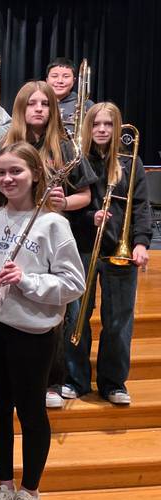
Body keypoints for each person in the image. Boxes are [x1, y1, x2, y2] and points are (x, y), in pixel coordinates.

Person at [0, 142, 85, 500]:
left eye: (15, 171)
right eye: (1, 172)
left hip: (32, 334)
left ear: (35, 174)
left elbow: (74, 283)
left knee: (31, 412)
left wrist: (28, 280)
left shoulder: (53, 224)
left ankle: (30, 493)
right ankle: (3, 486)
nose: (7, 179)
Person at [0, 80, 95, 408]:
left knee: (54, 315)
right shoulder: (7, 142)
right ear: (21, 109)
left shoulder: (66, 146)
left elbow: (86, 195)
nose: (39, 109)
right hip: (8, 231)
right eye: (32, 103)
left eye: (45, 103)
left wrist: (64, 202)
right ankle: (1, 378)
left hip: (49, 236)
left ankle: (51, 381)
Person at [64, 102, 151, 405]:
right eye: (96, 124)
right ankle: (75, 379)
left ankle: (113, 382)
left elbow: (140, 206)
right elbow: (67, 207)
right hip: (82, 247)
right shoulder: (75, 161)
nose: (102, 130)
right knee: (76, 316)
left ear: (117, 129)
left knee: (118, 320)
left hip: (119, 249)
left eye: (108, 124)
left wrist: (141, 242)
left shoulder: (131, 161)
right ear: (87, 128)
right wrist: (91, 218)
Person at [45, 57, 94, 136]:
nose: (60, 81)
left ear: (74, 81)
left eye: (66, 76)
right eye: (54, 76)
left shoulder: (86, 104)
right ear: (47, 80)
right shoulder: (39, 103)